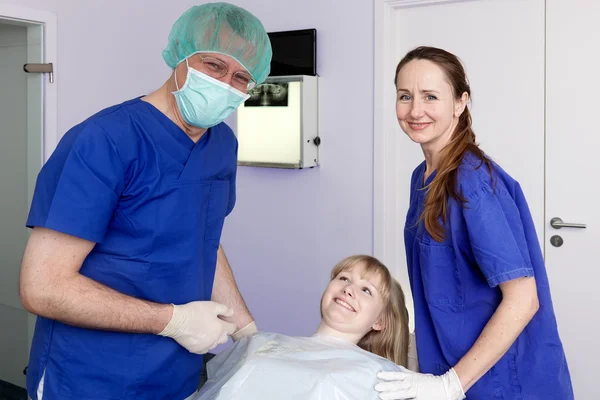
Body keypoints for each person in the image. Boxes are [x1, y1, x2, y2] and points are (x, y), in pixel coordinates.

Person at [18, 3, 272, 400]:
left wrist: (246, 331)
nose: (226, 83)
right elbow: (43, 287)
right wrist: (174, 321)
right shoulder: (104, 140)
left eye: (242, 77)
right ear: (180, 56)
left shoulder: (222, 144)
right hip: (89, 376)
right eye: (213, 65)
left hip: (177, 374)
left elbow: (204, 237)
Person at [374, 46, 573, 400]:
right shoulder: (423, 177)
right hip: (454, 368)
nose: (415, 110)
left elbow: (524, 299)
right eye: (405, 96)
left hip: (500, 381)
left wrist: (451, 384)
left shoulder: (472, 183)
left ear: (460, 102)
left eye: (430, 96)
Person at [194, 255, 414, 399]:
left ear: (380, 321)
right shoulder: (262, 342)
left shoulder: (381, 375)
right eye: (344, 278)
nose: (348, 289)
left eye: (366, 290)